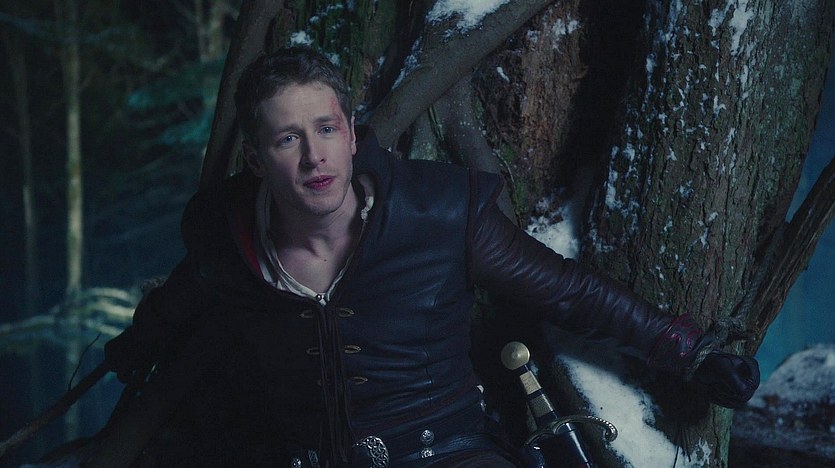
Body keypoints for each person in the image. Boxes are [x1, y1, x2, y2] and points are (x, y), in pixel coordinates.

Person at [104, 47, 759, 467]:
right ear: (255, 159)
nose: (314, 157)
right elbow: (183, 299)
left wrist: (690, 352)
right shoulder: (226, 239)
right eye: (287, 139)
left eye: (326, 129)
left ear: (351, 134)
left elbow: (570, 292)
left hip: (446, 457)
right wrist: (137, 344)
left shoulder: (439, 215)